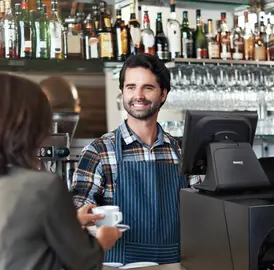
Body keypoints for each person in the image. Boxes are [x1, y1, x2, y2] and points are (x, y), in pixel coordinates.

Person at [0, 73, 122, 270]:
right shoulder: (44, 188)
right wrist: (103, 241)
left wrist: (70, 221)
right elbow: (86, 263)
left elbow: (7, 243)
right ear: (32, 127)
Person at [70, 54, 201, 265]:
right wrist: (86, 217)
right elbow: (79, 208)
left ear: (163, 94)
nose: (137, 95)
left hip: (175, 264)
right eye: (131, 87)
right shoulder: (99, 152)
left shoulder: (181, 151)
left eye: (147, 87)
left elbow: (200, 210)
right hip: (121, 264)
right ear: (122, 92)